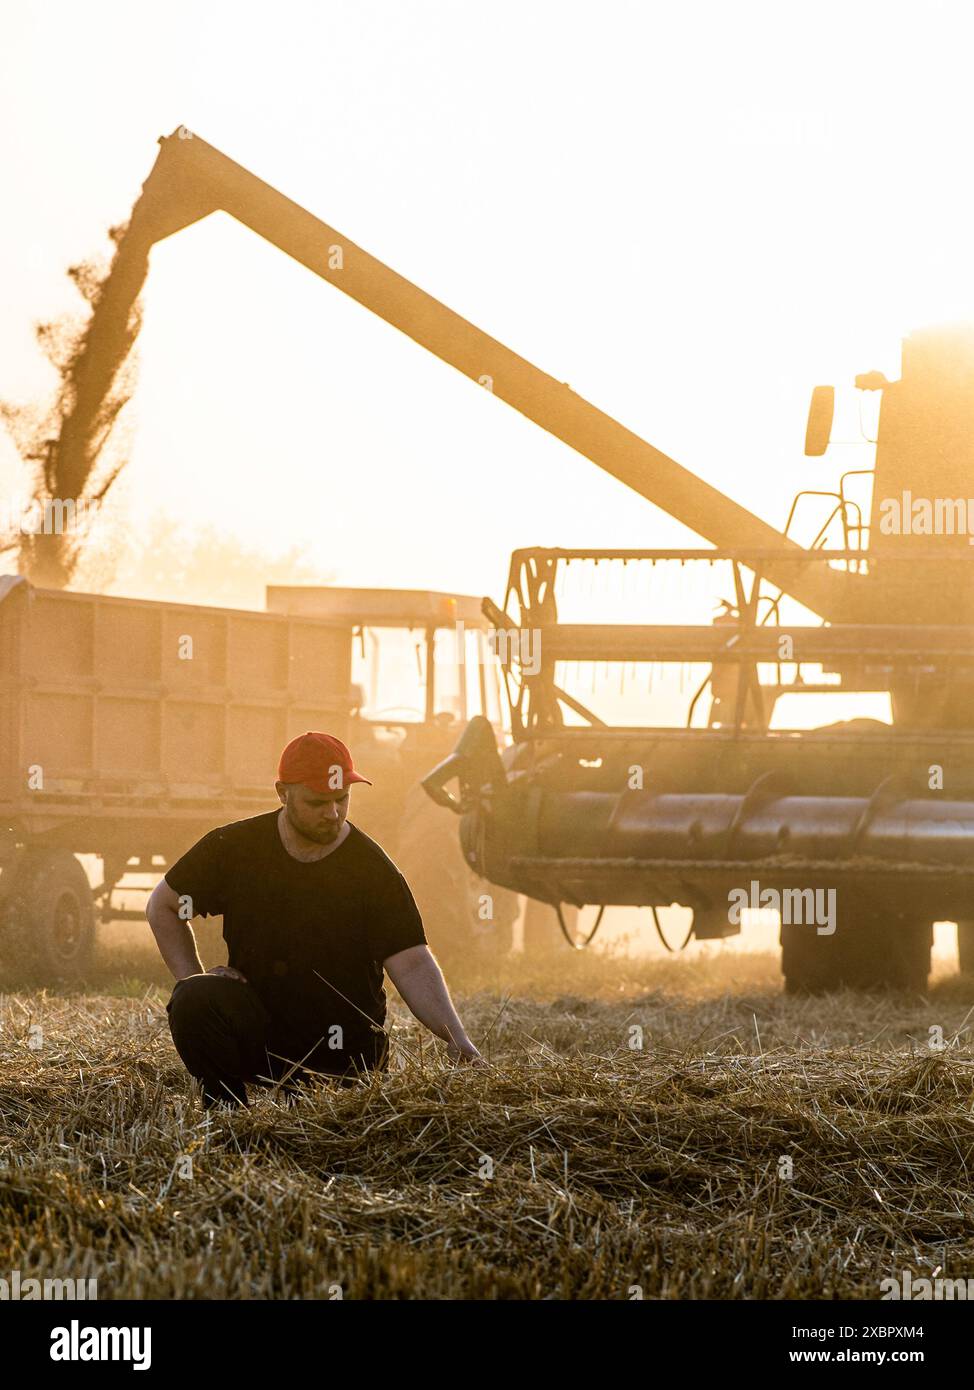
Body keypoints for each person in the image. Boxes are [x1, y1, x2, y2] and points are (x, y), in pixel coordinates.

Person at [147, 730, 484, 1107]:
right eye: (318, 802)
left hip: (343, 1051)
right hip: (263, 1036)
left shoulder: (373, 872)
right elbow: (163, 906)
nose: (334, 813)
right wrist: (193, 976)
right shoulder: (235, 849)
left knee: (340, 1095)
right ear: (282, 793)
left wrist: (458, 1040)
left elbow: (412, 962)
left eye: (342, 799)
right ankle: (228, 1116)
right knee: (194, 998)